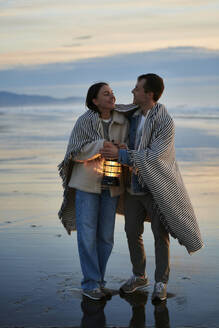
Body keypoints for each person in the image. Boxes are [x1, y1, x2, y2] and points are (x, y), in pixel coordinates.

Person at [100, 74, 204, 301]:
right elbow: (134, 144)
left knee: (160, 235)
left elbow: (156, 157)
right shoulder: (133, 116)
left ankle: (161, 282)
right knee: (131, 233)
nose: (132, 92)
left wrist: (123, 154)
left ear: (149, 94)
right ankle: (139, 276)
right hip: (133, 185)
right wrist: (124, 148)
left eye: (137, 89)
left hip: (156, 187)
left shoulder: (165, 121)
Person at [58, 82, 129, 300]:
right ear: (95, 100)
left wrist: (119, 149)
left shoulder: (123, 120)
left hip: (111, 181)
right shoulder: (84, 121)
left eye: (112, 93)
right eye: (106, 94)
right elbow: (75, 152)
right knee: (87, 236)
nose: (111, 97)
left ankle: (99, 281)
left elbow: (128, 145)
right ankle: (90, 285)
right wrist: (100, 146)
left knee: (106, 237)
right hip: (86, 185)